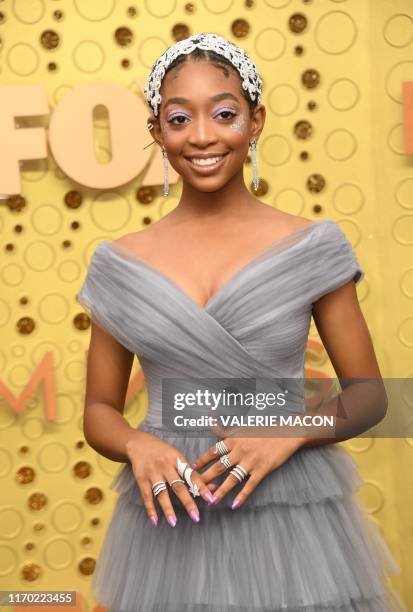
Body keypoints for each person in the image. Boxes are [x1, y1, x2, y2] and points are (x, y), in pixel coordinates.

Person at [77, 32, 407, 612]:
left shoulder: (311, 245)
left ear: (255, 122)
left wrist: (289, 429)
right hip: (171, 516)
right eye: (180, 118)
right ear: (158, 133)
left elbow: (373, 397)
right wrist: (136, 443)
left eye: (224, 114)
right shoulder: (119, 264)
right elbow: (98, 410)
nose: (202, 135)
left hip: (292, 512)